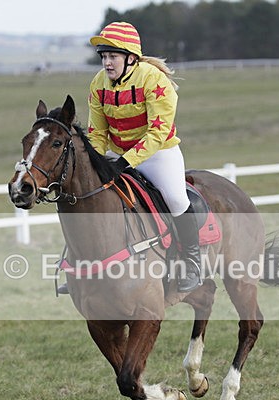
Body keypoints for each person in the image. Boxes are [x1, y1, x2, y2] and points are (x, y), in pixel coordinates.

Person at [86, 21, 201, 292]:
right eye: (103, 56)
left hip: (158, 153)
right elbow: (97, 134)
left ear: (130, 58)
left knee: (174, 198)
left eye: (113, 56)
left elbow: (157, 132)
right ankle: (86, 265)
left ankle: (192, 261)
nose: (107, 63)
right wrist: (95, 163)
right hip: (118, 153)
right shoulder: (97, 84)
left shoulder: (153, 79)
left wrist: (126, 162)